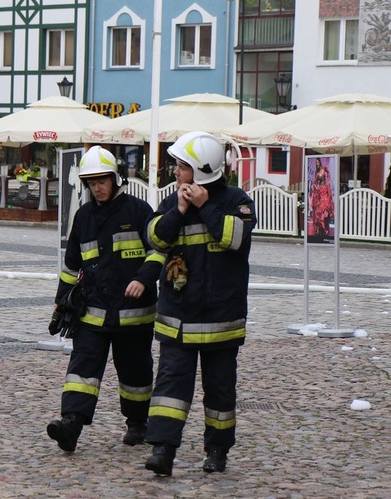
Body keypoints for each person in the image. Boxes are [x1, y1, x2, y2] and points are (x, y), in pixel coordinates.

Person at [143, 131, 257, 476]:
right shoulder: (171, 201)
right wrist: (178, 211)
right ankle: (162, 450)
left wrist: (204, 206)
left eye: (181, 166)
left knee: (220, 393)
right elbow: (153, 237)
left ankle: (217, 452)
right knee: (169, 390)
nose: (176, 172)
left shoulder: (237, 201)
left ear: (200, 170)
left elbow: (236, 239)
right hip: (177, 318)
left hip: (222, 320)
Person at [46, 145, 164, 453]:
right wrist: (61, 303)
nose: (97, 187)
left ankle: (137, 422)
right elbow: (72, 265)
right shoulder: (83, 217)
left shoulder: (139, 211)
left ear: (116, 179)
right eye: (92, 182)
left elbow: (157, 251)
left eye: (102, 180)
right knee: (81, 370)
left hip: (134, 316)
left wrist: (143, 278)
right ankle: (70, 423)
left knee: (135, 375)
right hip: (92, 314)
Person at [309, 157, 334, 237]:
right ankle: (321, 228)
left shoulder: (324, 168)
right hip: (319, 192)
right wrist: (315, 187)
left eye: (318, 162)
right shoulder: (317, 172)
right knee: (319, 210)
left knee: (325, 206)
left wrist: (328, 181)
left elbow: (329, 174)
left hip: (325, 190)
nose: (317, 164)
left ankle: (325, 226)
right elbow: (314, 182)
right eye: (316, 163)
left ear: (319, 162)